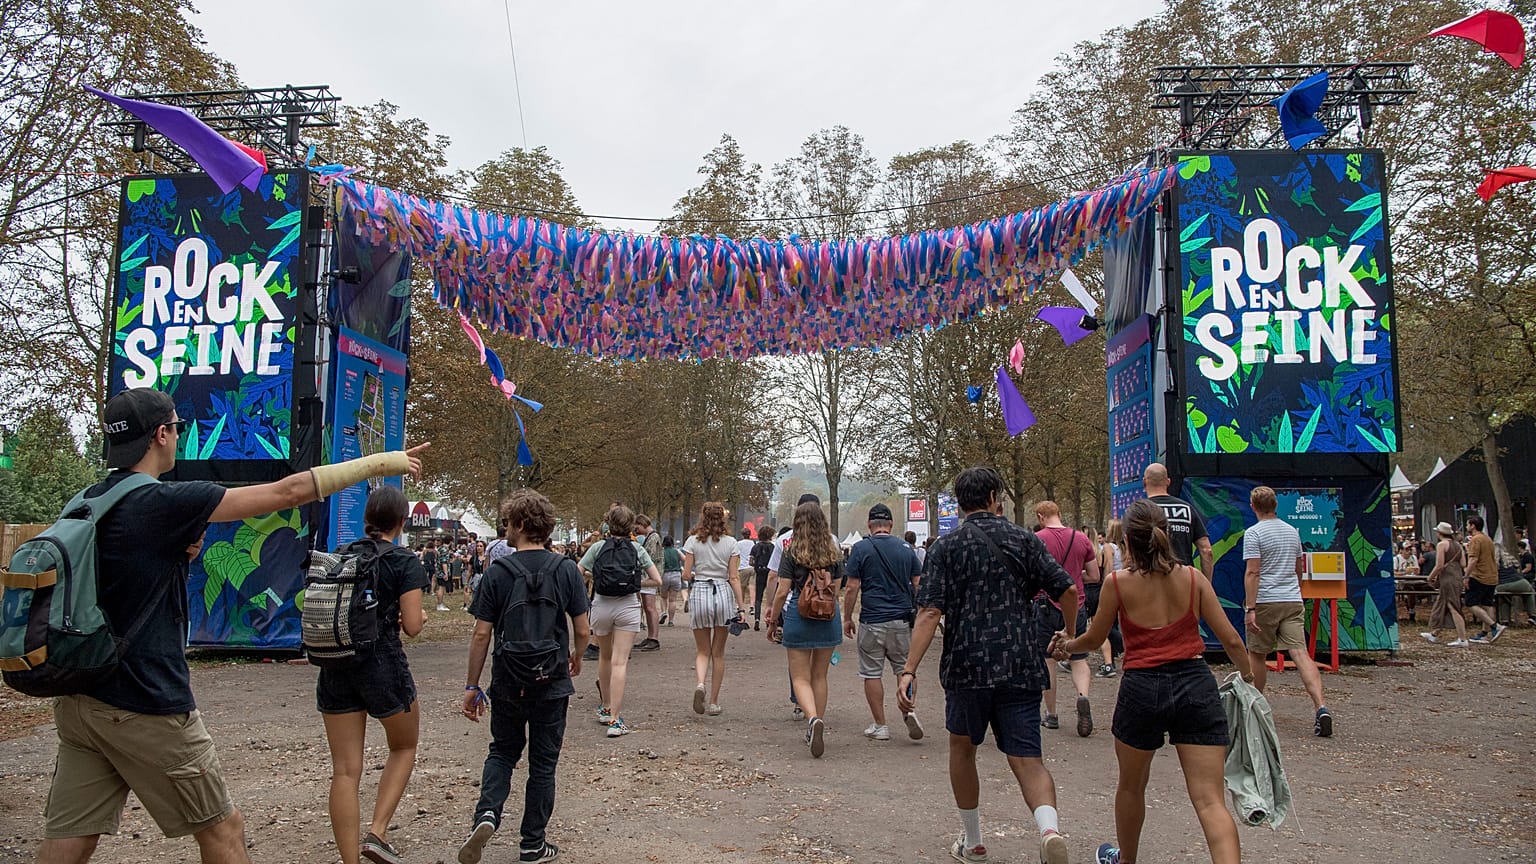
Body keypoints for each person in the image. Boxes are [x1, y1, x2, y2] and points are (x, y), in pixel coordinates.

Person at [35, 387, 425, 864]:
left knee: (73, 835)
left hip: (79, 698)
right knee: (223, 830)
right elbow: (288, 492)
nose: (178, 436)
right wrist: (382, 463)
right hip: (143, 700)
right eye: (177, 427)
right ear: (161, 435)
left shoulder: (86, 502)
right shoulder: (160, 501)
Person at [1050, 499, 1255, 864]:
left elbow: (1095, 639)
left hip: (1141, 688)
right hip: (1195, 685)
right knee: (1210, 800)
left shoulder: (1117, 584)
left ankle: (1126, 859)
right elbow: (1232, 641)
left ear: (1127, 540)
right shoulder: (1193, 578)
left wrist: (1068, 645)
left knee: (1131, 787)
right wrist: (1249, 678)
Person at [898, 467, 1079, 864]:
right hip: (1020, 662)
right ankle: (1049, 830)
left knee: (963, 750)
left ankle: (974, 840)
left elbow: (930, 612)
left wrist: (909, 669)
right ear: (996, 497)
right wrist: (1067, 633)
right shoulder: (1024, 540)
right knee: (1028, 760)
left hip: (968, 665)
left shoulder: (946, 547)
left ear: (960, 503)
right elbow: (1067, 589)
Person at [459, 489, 590, 864]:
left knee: (502, 751)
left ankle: (487, 814)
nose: (505, 528)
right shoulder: (566, 569)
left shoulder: (497, 573)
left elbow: (481, 634)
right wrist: (577, 657)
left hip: (508, 678)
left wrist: (472, 686)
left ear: (518, 524)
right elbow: (583, 629)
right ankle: (533, 843)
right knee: (543, 764)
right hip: (552, 679)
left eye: (507, 523)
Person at [317, 486, 429, 864]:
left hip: (336, 663)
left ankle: (349, 859)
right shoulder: (403, 560)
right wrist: (420, 615)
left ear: (367, 518)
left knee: (345, 771)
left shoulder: (340, 554)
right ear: (402, 521)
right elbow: (412, 626)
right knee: (404, 746)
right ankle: (377, 832)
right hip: (382, 664)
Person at [1241, 486, 1333, 738]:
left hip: (1265, 601)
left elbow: (1253, 572)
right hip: (1291, 599)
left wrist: (1251, 607)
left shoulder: (1254, 533)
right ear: (1276, 505)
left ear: (1253, 506)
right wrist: (1297, 591)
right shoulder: (1292, 531)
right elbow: (1298, 567)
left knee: (1257, 654)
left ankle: (1256, 709)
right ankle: (1321, 706)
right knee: (1300, 654)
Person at [764, 501, 844, 757]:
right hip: (828, 616)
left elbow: (782, 591)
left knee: (800, 677)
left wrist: (773, 621)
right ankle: (817, 719)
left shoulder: (792, 552)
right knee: (820, 675)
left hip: (799, 615)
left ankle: (812, 719)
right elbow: (837, 588)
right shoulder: (833, 552)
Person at [578, 504, 662, 737]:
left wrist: (596, 576)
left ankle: (605, 707)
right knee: (620, 662)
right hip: (627, 606)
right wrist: (633, 582)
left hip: (601, 605)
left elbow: (578, 570)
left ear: (608, 524)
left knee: (604, 657)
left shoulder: (597, 547)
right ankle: (615, 720)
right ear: (631, 526)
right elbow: (657, 580)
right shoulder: (637, 549)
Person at [843, 503, 924, 742]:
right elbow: (918, 583)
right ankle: (908, 711)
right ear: (891, 524)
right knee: (905, 669)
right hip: (901, 620)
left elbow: (852, 587)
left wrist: (847, 617)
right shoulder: (906, 548)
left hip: (872, 619)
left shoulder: (861, 548)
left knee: (871, 672)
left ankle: (880, 725)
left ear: (869, 524)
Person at [1033, 500, 1100, 736]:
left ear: (1040, 516)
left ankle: (1051, 715)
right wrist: (1074, 578)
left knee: (1048, 659)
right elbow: (1094, 575)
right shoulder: (1081, 539)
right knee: (1078, 658)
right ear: (1059, 514)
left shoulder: (1037, 539)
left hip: (1046, 605)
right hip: (1077, 605)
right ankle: (1083, 696)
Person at [682, 502, 745, 716]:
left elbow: (686, 574)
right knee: (718, 653)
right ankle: (714, 702)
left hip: (700, 591)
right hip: (722, 594)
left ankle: (700, 684)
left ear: (702, 517)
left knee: (702, 651)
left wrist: (696, 573)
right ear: (723, 518)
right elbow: (734, 577)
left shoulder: (692, 541)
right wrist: (741, 607)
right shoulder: (731, 543)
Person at [1142, 463, 1212, 577]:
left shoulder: (1139, 511)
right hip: (1184, 579)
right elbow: (1206, 550)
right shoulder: (1187, 509)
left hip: (1149, 580)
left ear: (1144, 482)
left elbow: (1128, 555)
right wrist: (1206, 583)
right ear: (1168, 482)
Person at [1422, 521, 1471, 647]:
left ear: (1439, 533)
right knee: (1444, 604)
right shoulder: (1458, 545)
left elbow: (1439, 565)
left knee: (1453, 607)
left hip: (1447, 578)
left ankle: (1462, 638)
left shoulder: (1442, 545)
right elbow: (1463, 564)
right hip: (1457, 576)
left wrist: (1430, 577)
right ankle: (1434, 633)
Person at [1463, 516, 1506, 643]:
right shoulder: (1487, 539)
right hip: (1491, 575)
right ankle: (1484, 633)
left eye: (1467, 524)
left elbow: (1473, 559)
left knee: (1470, 603)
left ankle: (1494, 626)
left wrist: (1466, 575)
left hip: (1479, 576)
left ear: (1473, 526)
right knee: (1487, 604)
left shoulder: (1476, 539)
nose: (1466, 527)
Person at [1094, 520, 1126, 677]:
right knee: (1116, 622)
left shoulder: (1108, 547)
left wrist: (1105, 585)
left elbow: (1108, 567)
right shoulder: (1124, 547)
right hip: (1124, 584)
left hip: (1113, 585)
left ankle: (1121, 645)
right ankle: (1111, 659)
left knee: (1106, 623)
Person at [634, 515, 665, 651]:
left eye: (637, 527)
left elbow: (649, 557)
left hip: (649, 577)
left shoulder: (653, 538)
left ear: (643, 524)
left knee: (650, 607)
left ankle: (654, 638)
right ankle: (651, 636)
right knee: (647, 607)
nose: (636, 530)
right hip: (648, 576)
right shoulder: (651, 537)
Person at [749, 525, 776, 630]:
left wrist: (756, 565)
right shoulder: (772, 547)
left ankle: (757, 619)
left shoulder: (756, 547)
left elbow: (751, 561)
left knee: (758, 597)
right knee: (770, 598)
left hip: (759, 573)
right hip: (769, 573)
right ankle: (769, 619)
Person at [659, 535, 685, 626]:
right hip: (676, 575)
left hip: (665, 575)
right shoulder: (677, 551)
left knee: (663, 597)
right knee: (672, 600)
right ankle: (671, 621)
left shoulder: (661, 552)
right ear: (672, 543)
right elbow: (685, 559)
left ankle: (663, 612)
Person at [736, 526, 759, 617]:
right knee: (752, 587)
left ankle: (740, 605)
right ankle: (752, 606)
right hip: (753, 567)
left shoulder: (738, 544)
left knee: (742, 587)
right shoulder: (754, 543)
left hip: (743, 567)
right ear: (750, 535)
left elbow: (737, 555)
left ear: (742, 535)